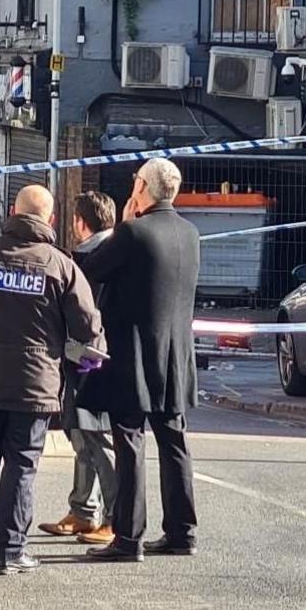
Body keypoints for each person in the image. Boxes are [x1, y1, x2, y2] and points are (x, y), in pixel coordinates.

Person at [0, 185, 103, 576]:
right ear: (50, 220)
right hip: (35, 387)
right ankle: (10, 552)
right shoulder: (61, 265)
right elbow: (87, 327)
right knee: (21, 466)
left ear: (13, 211)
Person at [81, 158, 201, 562]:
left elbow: (91, 271)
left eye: (135, 183)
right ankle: (182, 532)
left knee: (129, 442)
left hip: (133, 353)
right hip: (175, 355)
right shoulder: (190, 233)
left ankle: (128, 538)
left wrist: (123, 222)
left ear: (142, 188)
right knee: (174, 443)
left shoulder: (132, 232)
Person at [39, 191, 119, 546]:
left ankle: (113, 518)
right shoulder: (108, 254)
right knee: (83, 439)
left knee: (98, 441)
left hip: (91, 360)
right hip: (90, 358)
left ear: (80, 223)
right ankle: (84, 511)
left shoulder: (90, 260)